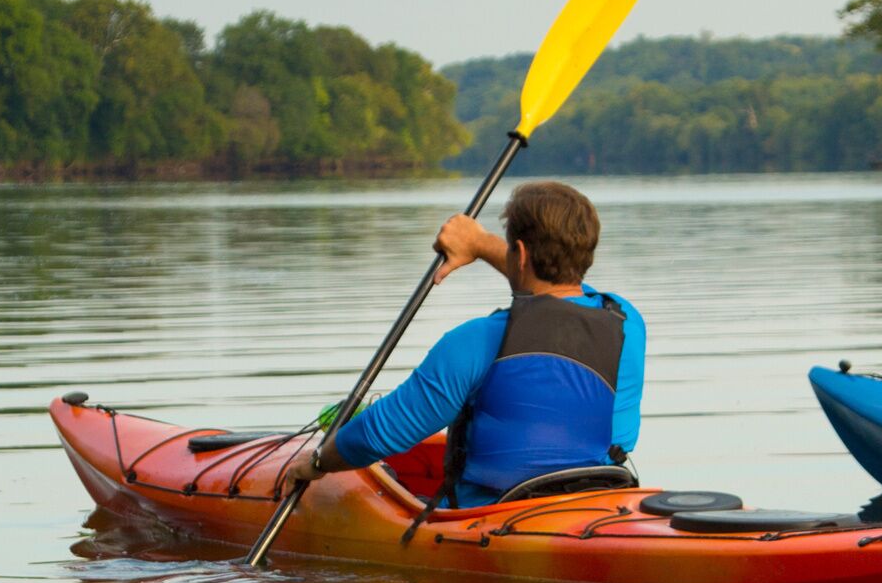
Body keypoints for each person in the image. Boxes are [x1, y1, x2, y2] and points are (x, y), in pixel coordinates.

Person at [274, 180, 647, 506]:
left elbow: (378, 434)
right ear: (587, 251)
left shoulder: (476, 341)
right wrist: (481, 245)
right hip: (599, 504)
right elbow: (561, 294)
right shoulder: (625, 322)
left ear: (519, 252)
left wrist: (318, 462)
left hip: (493, 516)